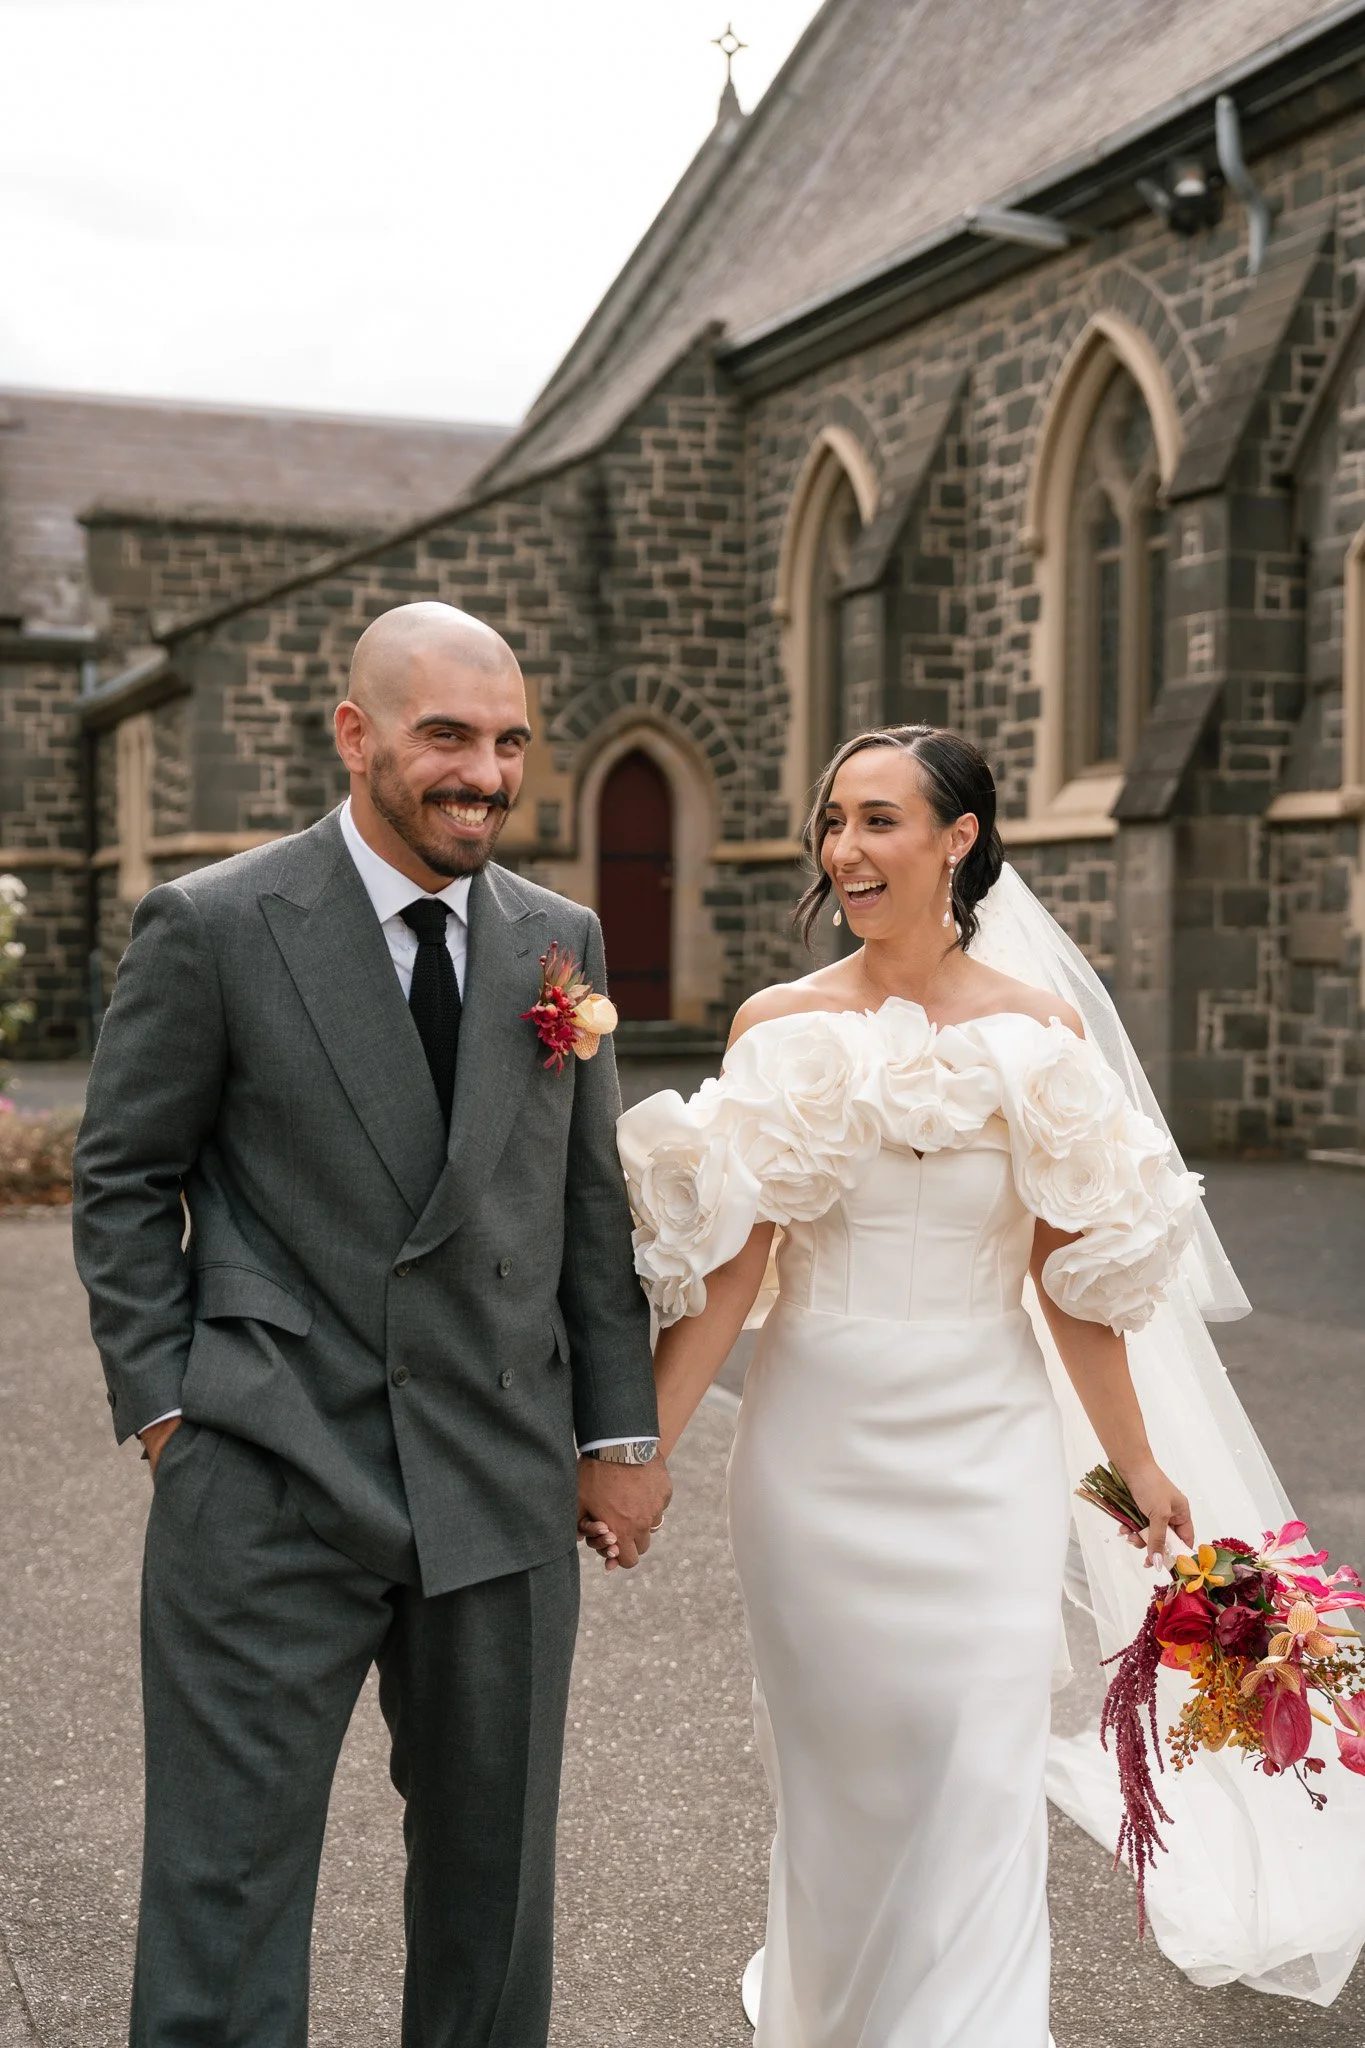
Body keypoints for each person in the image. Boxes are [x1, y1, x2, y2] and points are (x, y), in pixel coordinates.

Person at [72, 601, 670, 2046]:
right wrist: (168, 1409)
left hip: (501, 1486)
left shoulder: (558, 938)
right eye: (447, 736)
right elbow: (124, 1178)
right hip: (270, 1478)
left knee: (494, 1907)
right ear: (356, 735)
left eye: (510, 740)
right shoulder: (214, 925)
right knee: (223, 1899)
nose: (484, 771)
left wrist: (620, 1430)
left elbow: (590, 1212)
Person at [595, 724, 1200, 2045]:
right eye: (834, 823)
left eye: (877, 820)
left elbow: (1068, 1285)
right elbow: (736, 1276)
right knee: (845, 1786)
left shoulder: (1042, 1039)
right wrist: (641, 1453)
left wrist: (1136, 1462)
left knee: (974, 1772)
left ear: (959, 838)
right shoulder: (781, 1027)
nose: (844, 851)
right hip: (817, 1456)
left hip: (985, 1452)